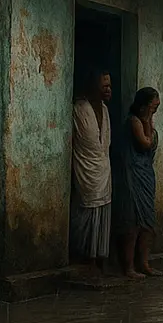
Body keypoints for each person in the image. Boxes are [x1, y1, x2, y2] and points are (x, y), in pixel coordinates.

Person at [70, 70, 113, 273]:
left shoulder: (104, 110)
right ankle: (85, 256)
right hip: (85, 169)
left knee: (103, 211)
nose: (108, 90)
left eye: (109, 86)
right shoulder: (80, 109)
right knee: (86, 210)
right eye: (104, 86)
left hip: (104, 168)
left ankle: (99, 256)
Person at [117, 87, 160, 278]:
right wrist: (147, 120)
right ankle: (129, 267)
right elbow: (146, 143)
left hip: (145, 174)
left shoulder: (145, 121)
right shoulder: (135, 122)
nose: (154, 111)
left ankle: (144, 262)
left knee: (148, 222)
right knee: (133, 222)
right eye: (153, 107)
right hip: (132, 176)